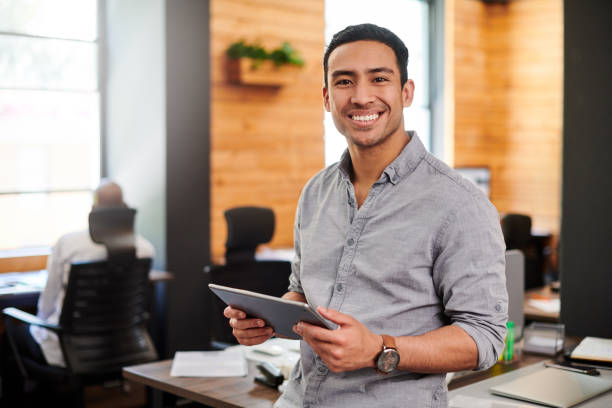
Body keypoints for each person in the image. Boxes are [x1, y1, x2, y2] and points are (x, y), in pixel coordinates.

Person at [224, 24, 508, 407]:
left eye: (379, 79)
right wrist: (266, 321)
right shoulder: (315, 192)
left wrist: (379, 350)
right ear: (327, 98)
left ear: (406, 92)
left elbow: (486, 337)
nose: (361, 96)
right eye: (344, 82)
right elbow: (304, 292)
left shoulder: (460, 205)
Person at [29, 180, 155, 367]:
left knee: (14, 333)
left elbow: (47, 304)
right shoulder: (145, 249)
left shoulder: (69, 245)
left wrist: (39, 322)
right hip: (123, 345)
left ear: (94, 208)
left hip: (72, 349)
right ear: (125, 208)